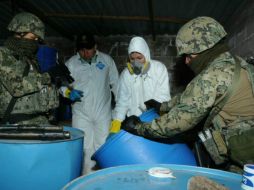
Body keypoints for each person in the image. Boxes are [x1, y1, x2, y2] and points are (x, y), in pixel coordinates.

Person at [122, 17, 254, 171]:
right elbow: (191, 97)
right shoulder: (234, 62)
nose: (186, 62)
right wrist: (162, 107)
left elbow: (176, 123)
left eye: (189, 56)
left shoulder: (211, 76)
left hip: (244, 153)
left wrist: (139, 128)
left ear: (204, 50)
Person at [60, 34, 119, 174]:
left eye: (89, 49)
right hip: (81, 113)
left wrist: (118, 112)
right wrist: (68, 93)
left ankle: (104, 179)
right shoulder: (71, 63)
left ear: (95, 47)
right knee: (84, 148)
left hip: (103, 113)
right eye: (82, 50)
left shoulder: (106, 60)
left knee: (103, 147)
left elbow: (116, 84)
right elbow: (61, 85)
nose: (85, 53)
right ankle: (86, 180)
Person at [0, 12, 59, 125]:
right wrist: (48, 76)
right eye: (32, 37)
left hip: (39, 121)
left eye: (37, 39)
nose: (35, 42)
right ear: (20, 33)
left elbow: (39, 89)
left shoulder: (29, 58)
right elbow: (16, 87)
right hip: (15, 123)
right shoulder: (3, 55)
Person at [110, 36, 170, 133]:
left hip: (155, 120)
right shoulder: (126, 74)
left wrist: (152, 114)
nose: (135, 62)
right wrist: (117, 121)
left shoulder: (159, 69)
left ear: (146, 55)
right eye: (132, 59)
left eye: (139, 58)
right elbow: (122, 101)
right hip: (134, 123)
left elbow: (164, 97)